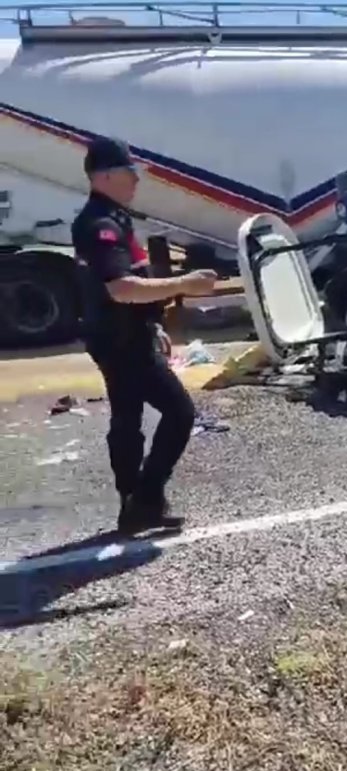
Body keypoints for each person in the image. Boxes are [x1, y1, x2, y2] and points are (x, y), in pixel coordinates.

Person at [72, 136, 217, 534]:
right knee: (179, 413)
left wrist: (153, 324)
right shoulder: (99, 224)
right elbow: (120, 288)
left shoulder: (115, 218)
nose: (136, 180)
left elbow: (133, 283)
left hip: (124, 334)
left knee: (128, 418)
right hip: (120, 341)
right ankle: (146, 498)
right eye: (128, 172)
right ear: (103, 176)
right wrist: (184, 283)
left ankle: (132, 504)